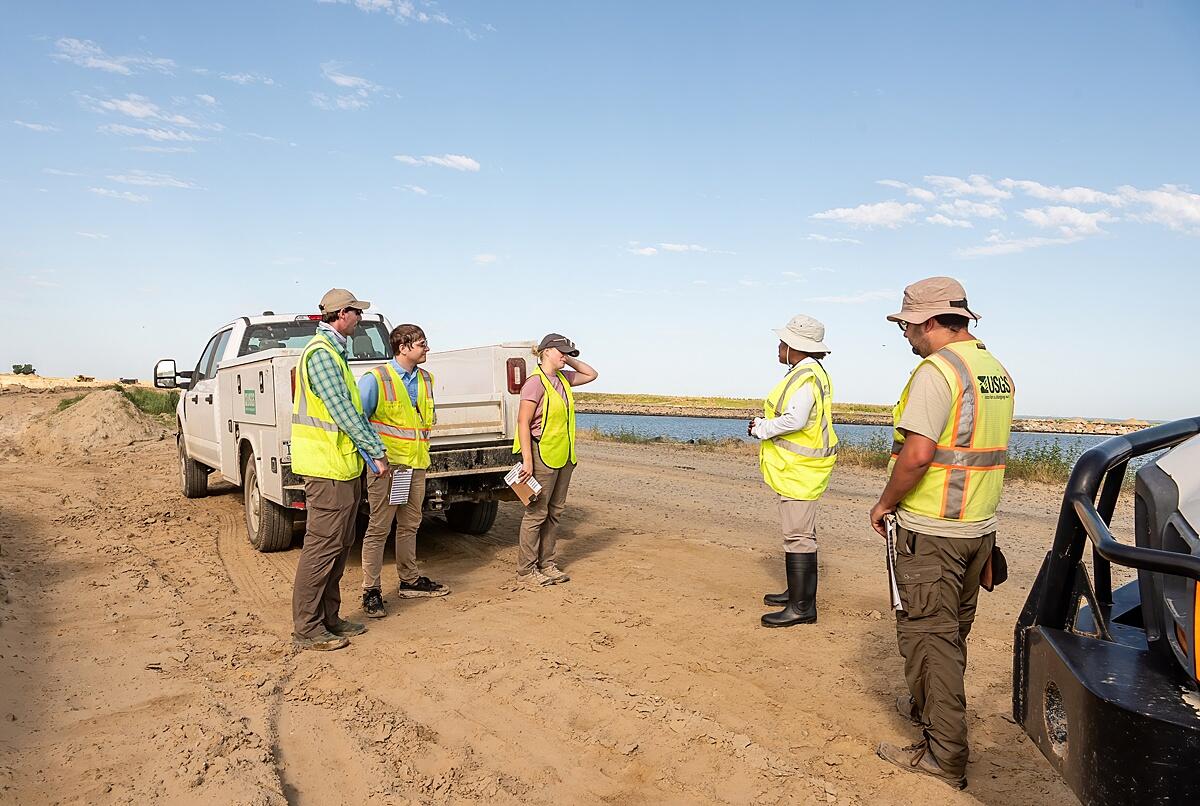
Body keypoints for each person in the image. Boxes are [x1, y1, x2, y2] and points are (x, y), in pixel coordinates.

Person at [869, 277, 1015, 790]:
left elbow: (918, 454)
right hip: (978, 530)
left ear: (930, 322)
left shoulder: (936, 371)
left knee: (931, 643)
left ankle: (943, 756)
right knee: (952, 635)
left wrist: (885, 502)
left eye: (908, 325)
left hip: (932, 532)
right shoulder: (993, 369)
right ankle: (929, 712)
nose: (906, 336)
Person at [291, 288, 389, 651]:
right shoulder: (321, 355)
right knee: (322, 547)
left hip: (341, 467)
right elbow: (345, 413)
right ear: (342, 314)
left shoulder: (335, 354)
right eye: (358, 313)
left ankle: (329, 618)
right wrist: (375, 451)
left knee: (339, 545)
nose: (361, 319)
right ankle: (308, 627)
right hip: (326, 468)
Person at [748, 315, 839, 627]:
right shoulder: (808, 372)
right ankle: (796, 594)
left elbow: (794, 420)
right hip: (801, 469)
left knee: (798, 536)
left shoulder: (805, 378)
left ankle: (802, 607)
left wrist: (762, 428)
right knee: (801, 532)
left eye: (783, 342)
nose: (778, 347)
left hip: (802, 470)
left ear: (796, 347)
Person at [357, 324, 447, 618]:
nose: (427, 348)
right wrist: (374, 461)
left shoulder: (426, 379)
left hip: (415, 465)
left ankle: (410, 581)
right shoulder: (376, 379)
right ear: (403, 347)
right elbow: (359, 422)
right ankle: (371, 591)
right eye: (422, 343)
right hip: (387, 468)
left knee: (411, 524)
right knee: (379, 528)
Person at [513, 334, 598, 587]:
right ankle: (526, 572)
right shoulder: (535, 383)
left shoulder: (562, 378)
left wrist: (570, 359)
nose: (565, 356)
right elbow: (522, 423)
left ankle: (547, 564)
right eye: (560, 351)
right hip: (541, 455)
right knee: (536, 513)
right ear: (546, 351)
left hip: (564, 456)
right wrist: (527, 461)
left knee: (555, 512)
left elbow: (592, 374)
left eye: (567, 352)